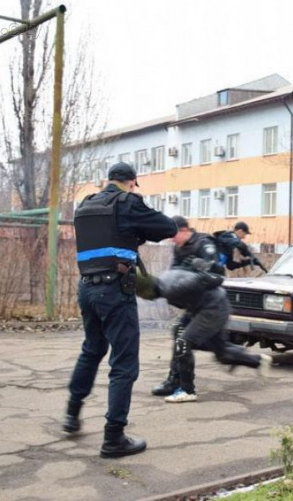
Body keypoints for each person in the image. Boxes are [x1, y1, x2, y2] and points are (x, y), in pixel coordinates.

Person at [62, 162, 178, 459]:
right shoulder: (127, 202)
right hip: (114, 290)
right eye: (133, 186)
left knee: (92, 348)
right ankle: (114, 438)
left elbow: (106, 239)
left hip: (86, 288)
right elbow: (168, 227)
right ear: (131, 182)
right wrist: (139, 231)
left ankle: (72, 414)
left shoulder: (86, 205)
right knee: (124, 363)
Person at [137, 259, 272, 404]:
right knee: (215, 351)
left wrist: (210, 272)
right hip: (202, 308)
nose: (144, 298)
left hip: (214, 309)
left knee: (183, 343)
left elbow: (205, 280)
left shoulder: (171, 288)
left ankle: (187, 390)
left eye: (141, 294)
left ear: (147, 291)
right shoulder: (164, 280)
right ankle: (257, 361)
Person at [150, 216, 223, 400]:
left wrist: (200, 270)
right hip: (193, 303)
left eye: (173, 235)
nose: (171, 240)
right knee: (179, 335)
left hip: (209, 304)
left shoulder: (204, 244)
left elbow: (217, 276)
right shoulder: (179, 248)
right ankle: (174, 381)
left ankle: (187, 389)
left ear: (184, 230)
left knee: (190, 341)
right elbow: (175, 272)